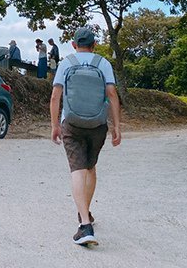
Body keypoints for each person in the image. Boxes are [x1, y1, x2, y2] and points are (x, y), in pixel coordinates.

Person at [49, 27, 121, 247]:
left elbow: (55, 96)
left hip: (72, 124)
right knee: (90, 166)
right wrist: (117, 126)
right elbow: (112, 95)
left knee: (77, 169)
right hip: (98, 124)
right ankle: (85, 214)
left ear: (74, 45)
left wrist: (55, 125)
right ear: (94, 44)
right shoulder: (103, 64)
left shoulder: (66, 63)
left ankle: (84, 224)